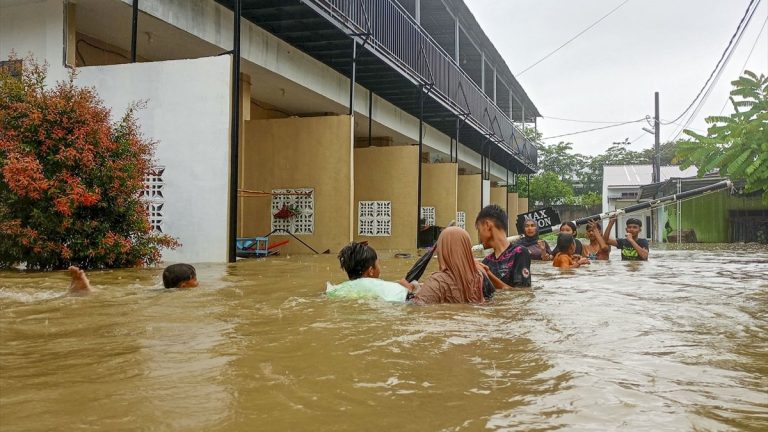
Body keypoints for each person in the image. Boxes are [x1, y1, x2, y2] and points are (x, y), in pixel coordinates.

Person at [400, 227, 489, 305]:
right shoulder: (481, 276)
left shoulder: (437, 282)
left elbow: (415, 309)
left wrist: (408, 290)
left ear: (442, 250)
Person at [326, 242, 410, 302]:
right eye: (378, 264)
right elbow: (413, 302)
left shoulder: (335, 290)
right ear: (371, 271)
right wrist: (408, 289)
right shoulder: (392, 288)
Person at [474, 204, 532, 290]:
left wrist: (488, 273)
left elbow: (521, 294)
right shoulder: (486, 261)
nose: (479, 237)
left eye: (479, 230)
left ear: (487, 225)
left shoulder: (520, 252)